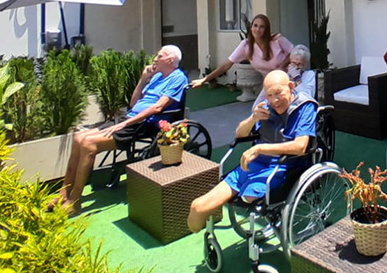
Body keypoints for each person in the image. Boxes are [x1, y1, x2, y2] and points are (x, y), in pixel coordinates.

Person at [55, 45, 188, 215]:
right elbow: (133, 104)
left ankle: (75, 201)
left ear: (170, 60)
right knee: (79, 137)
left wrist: (124, 124)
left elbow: (157, 108)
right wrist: (143, 79)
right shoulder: (156, 77)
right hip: (130, 119)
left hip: (145, 124)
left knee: (88, 144)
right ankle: (63, 193)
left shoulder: (178, 78)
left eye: (159, 56)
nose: (155, 58)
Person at [187, 70, 317, 233]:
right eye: (269, 95)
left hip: (283, 168)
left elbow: (300, 146)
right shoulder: (267, 107)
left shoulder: (305, 107)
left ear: (291, 87)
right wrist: (253, 119)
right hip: (252, 167)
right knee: (197, 208)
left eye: (278, 93)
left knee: (247, 197)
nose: (274, 100)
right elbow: (240, 134)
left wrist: (260, 148)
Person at [191, 14, 292, 87]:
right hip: (272, 84)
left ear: (267, 29)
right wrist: (204, 80)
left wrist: (283, 65)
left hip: (290, 79)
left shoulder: (277, 40)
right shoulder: (246, 45)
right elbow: (226, 65)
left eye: (262, 27)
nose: (257, 29)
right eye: (255, 25)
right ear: (251, 27)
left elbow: (295, 52)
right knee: (258, 110)